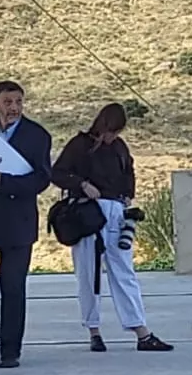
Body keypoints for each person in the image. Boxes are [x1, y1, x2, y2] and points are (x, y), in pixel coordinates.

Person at [51, 103, 173, 353]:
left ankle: (141, 330)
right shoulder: (80, 145)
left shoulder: (119, 147)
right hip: (87, 213)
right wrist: (82, 184)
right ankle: (94, 330)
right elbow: (58, 173)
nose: (113, 136)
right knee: (88, 275)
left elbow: (129, 172)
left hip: (115, 211)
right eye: (111, 131)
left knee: (124, 271)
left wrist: (128, 195)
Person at [0, 81, 54, 368]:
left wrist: (4, 182)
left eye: (18, 101)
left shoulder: (38, 135)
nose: (13, 107)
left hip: (17, 222)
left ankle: (10, 350)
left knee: (12, 286)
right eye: (7, 102)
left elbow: (42, 179)